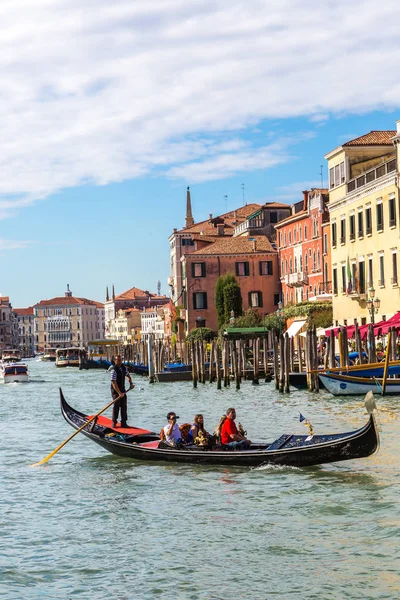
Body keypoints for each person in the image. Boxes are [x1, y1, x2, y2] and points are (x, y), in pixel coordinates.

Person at [110, 354, 134, 428]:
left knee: (124, 406)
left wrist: (131, 384)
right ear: (115, 361)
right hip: (115, 390)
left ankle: (124, 422)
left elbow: (128, 376)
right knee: (116, 405)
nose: (120, 361)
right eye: (118, 360)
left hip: (122, 389)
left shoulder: (124, 368)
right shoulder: (113, 370)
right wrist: (119, 393)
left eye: (121, 360)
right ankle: (114, 422)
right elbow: (113, 383)